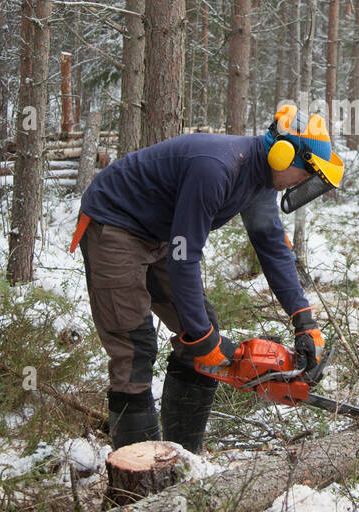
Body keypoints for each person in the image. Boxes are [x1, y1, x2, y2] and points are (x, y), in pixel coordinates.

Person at [69, 104, 343, 453]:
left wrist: (303, 319)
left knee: (201, 332)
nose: (303, 182)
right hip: (116, 224)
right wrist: (202, 337)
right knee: (135, 348)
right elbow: (186, 257)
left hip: (161, 234)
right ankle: (137, 489)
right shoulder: (217, 168)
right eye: (304, 174)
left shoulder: (260, 183)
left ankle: (184, 456)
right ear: (282, 154)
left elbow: (274, 249)